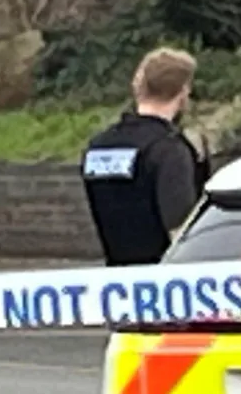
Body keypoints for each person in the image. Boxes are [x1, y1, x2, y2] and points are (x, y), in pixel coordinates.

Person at [81, 47, 206, 267]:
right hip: (164, 282)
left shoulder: (98, 146)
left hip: (118, 278)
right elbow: (180, 230)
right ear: (183, 91)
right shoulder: (169, 150)